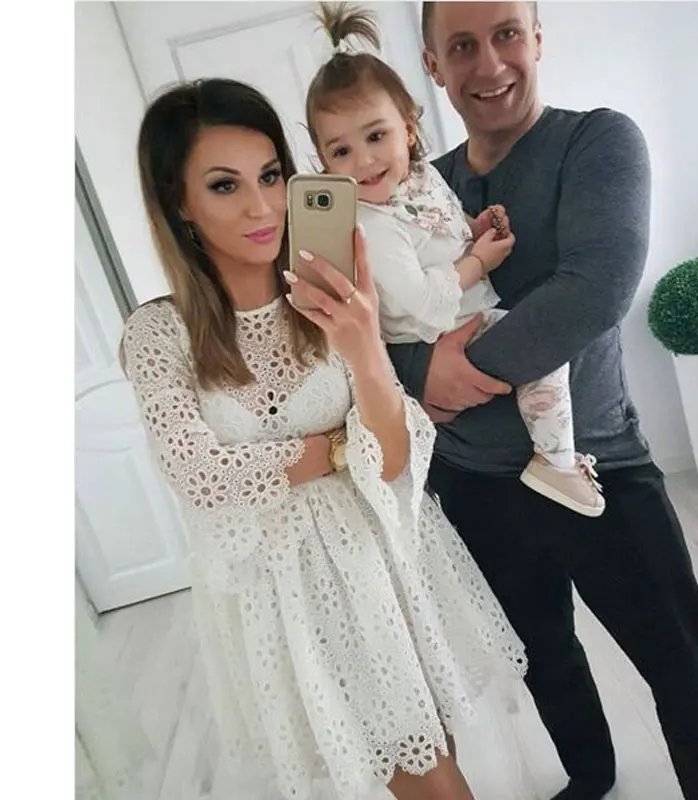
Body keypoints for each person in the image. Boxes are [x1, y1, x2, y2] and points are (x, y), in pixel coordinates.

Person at [120, 77, 528, 800]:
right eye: (224, 185)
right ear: (179, 202)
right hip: (287, 598)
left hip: (386, 560)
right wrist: (340, 447)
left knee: (436, 754)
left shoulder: (328, 293)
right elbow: (199, 475)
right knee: (429, 779)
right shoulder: (159, 334)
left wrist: (364, 342)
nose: (261, 206)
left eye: (271, 175)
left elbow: (396, 456)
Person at [385, 3, 698, 799]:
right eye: (462, 46)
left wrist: (447, 375)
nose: (489, 64)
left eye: (507, 33)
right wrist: (416, 370)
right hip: (473, 485)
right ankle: (590, 779)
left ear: (537, 38)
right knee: (543, 660)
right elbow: (380, 321)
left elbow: (593, 291)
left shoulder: (598, 141)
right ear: (433, 65)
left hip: (596, 469)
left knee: (681, 668)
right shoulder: (419, 188)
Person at [304, 3, 605, 518]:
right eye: (341, 152)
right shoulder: (371, 223)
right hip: (438, 328)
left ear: (408, 129)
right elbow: (423, 303)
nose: (364, 162)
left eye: (375, 137)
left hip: (464, 321)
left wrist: (473, 227)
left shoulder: (421, 179)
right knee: (544, 357)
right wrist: (479, 262)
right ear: (323, 161)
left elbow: (441, 225)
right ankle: (555, 459)